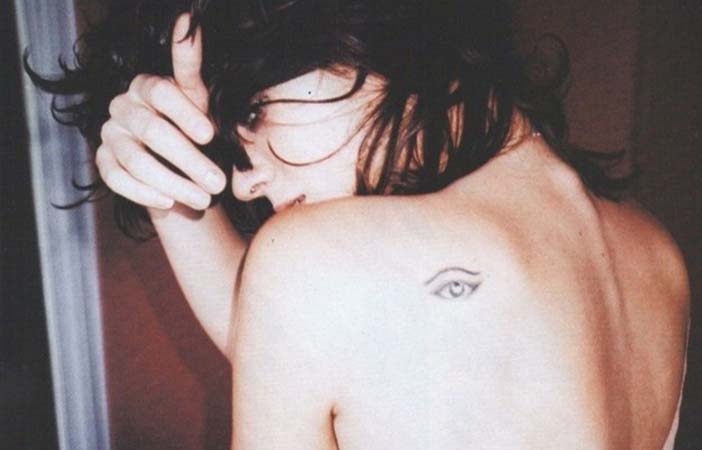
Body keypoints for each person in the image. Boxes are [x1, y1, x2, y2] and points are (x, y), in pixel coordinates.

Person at [29, 0, 689, 448]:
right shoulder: (651, 252)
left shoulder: (313, 265)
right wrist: (171, 198)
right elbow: (315, 355)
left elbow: (312, 320)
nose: (245, 182)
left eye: (252, 113)